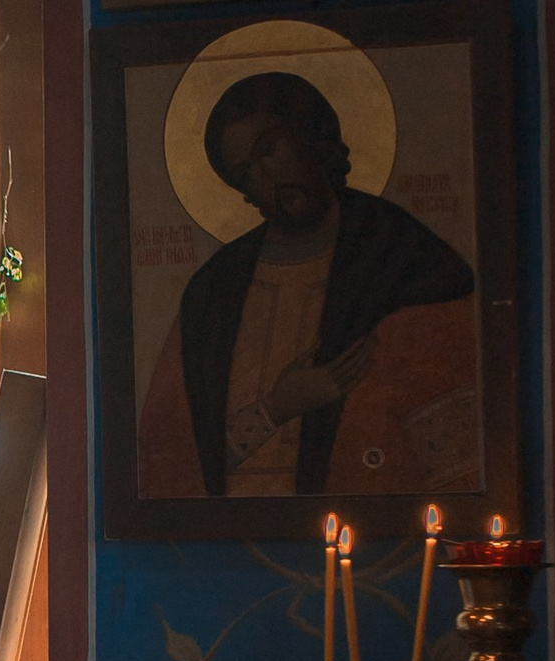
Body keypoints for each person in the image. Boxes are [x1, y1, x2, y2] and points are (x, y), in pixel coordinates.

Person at [136, 68, 478, 505]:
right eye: (245, 172)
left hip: (375, 533)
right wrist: (277, 407)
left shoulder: (402, 254)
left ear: (308, 136)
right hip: (229, 542)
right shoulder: (214, 291)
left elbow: (454, 417)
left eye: (270, 150)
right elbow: (170, 460)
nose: (267, 177)